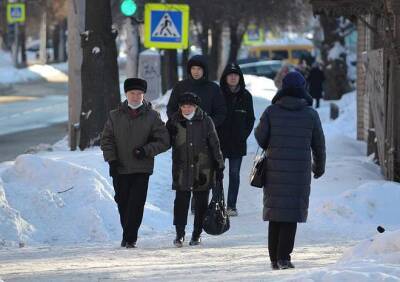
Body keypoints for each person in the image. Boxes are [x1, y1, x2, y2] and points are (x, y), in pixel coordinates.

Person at [254, 71, 326, 270]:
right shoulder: (310, 114)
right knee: (290, 214)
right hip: (298, 172)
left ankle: (274, 259)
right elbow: (319, 145)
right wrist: (318, 167)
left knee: (275, 213)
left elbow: (260, 138)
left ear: (283, 88)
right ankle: (284, 257)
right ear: (303, 89)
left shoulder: (271, 111)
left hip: (274, 169)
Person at [100, 78, 170, 249]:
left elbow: (164, 141)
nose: (136, 96)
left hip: (142, 168)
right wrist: (112, 160)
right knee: (122, 202)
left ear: (143, 95)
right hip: (120, 167)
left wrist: (146, 150)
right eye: (132, 93)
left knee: (136, 203)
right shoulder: (114, 116)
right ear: (126, 94)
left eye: (139, 93)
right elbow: (106, 140)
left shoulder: (152, 116)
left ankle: (130, 238)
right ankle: (128, 234)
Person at [167, 54, 226, 214]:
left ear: (204, 70)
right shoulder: (180, 87)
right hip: (183, 139)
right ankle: (182, 221)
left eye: (199, 68)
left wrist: (208, 126)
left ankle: (199, 206)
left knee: (203, 175)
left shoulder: (213, 88)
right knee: (185, 175)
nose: (196, 71)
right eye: (193, 68)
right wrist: (178, 124)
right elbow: (171, 109)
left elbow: (221, 112)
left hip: (205, 140)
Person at [166, 92, 225, 247]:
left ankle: (197, 234)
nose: (186, 109)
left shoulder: (205, 120)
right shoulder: (174, 121)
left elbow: (214, 143)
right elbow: (166, 141)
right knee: (181, 203)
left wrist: (219, 164)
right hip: (181, 169)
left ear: (196, 106)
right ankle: (179, 234)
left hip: (203, 169)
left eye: (190, 106)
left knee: (200, 203)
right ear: (180, 107)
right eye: (184, 106)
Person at [218, 62, 255, 216]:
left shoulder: (246, 96)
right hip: (219, 142)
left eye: (236, 75)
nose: (233, 78)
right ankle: (218, 204)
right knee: (217, 175)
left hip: (237, 143)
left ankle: (231, 206)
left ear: (240, 78)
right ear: (225, 78)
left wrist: (243, 135)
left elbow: (250, 119)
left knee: (234, 174)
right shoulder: (218, 94)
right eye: (230, 75)